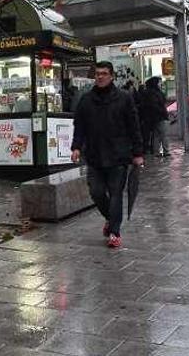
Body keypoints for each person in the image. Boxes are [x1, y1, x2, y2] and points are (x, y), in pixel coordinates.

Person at [71, 62, 145, 248]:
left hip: (118, 155)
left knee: (115, 194)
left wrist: (138, 153)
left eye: (104, 74)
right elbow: (79, 126)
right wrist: (76, 147)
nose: (100, 77)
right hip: (95, 155)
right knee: (96, 192)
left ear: (111, 76)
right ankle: (110, 220)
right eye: (97, 74)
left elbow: (134, 127)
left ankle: (114, 232)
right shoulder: (86, 100)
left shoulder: (124, 98)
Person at [139, 77, 170, 157]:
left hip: (152, 117)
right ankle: (166, 151)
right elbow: (156, 105)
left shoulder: (148, 92)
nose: (160, 84)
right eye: (159, 82)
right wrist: (163, 112)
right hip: (159, 116)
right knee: (163, 134)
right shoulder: (155, 93)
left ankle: (156, 151)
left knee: (156, 135)